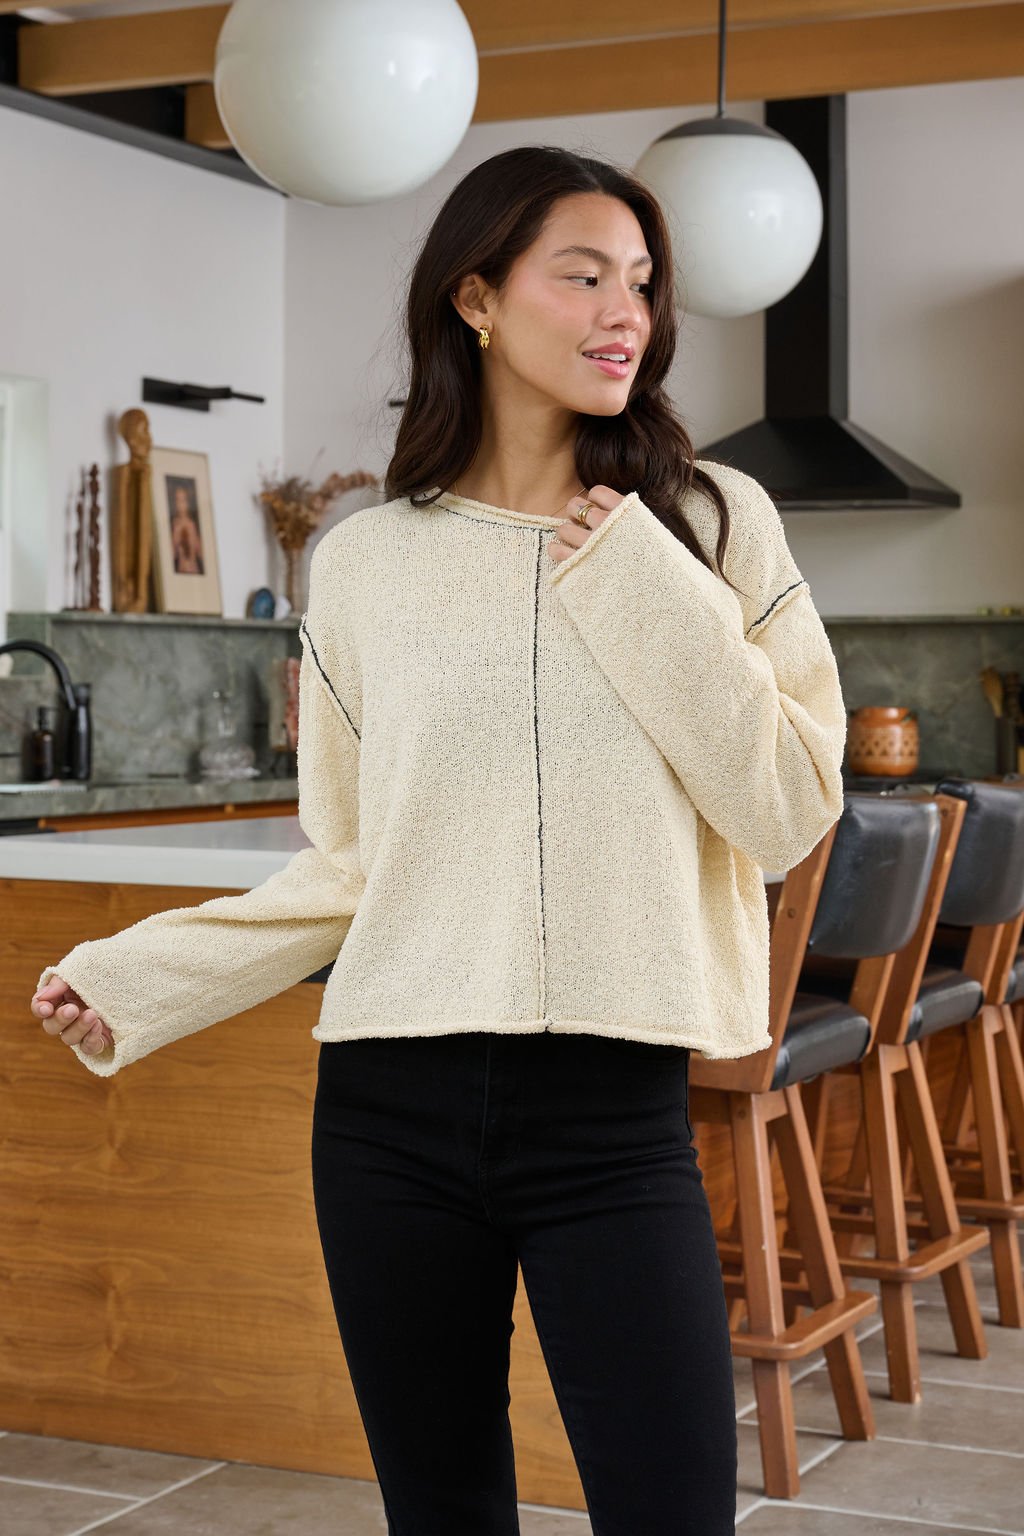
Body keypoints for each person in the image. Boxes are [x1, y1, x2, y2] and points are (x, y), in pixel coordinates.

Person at [31, 144, 848, 1534]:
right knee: (442, 1511)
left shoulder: (711, 524)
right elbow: (355, 864)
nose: (625, 312)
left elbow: (788, 804)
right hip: (389, 1114)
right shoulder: (366, 560)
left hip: (611, 1117)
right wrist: (143, 977)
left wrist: (643, 578)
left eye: (642, 282)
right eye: (582, 276)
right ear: (476, 298)